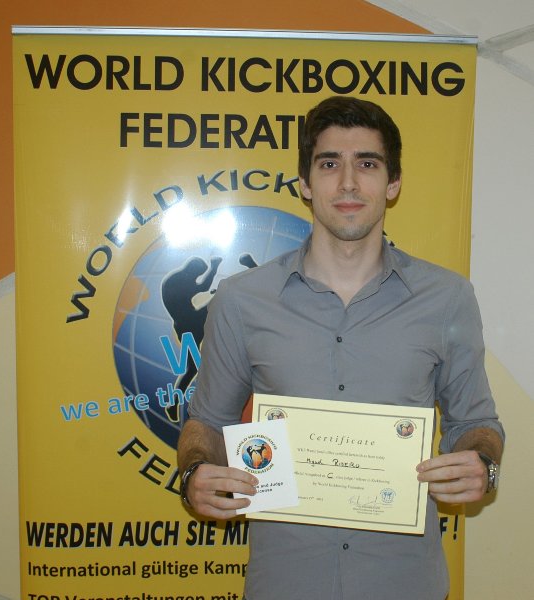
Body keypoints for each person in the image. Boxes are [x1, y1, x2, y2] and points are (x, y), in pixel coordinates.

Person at [177, 96, 504, 600]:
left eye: (367, 164)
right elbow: (207, 423)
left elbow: (476, 423)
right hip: (285, 584)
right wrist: (195, 472)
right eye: (329, 164)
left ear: (393, 183)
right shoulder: (241, 301)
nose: (348, 183)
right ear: (305, 183)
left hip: (404, 584)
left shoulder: (447, 298)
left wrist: (482, 462)